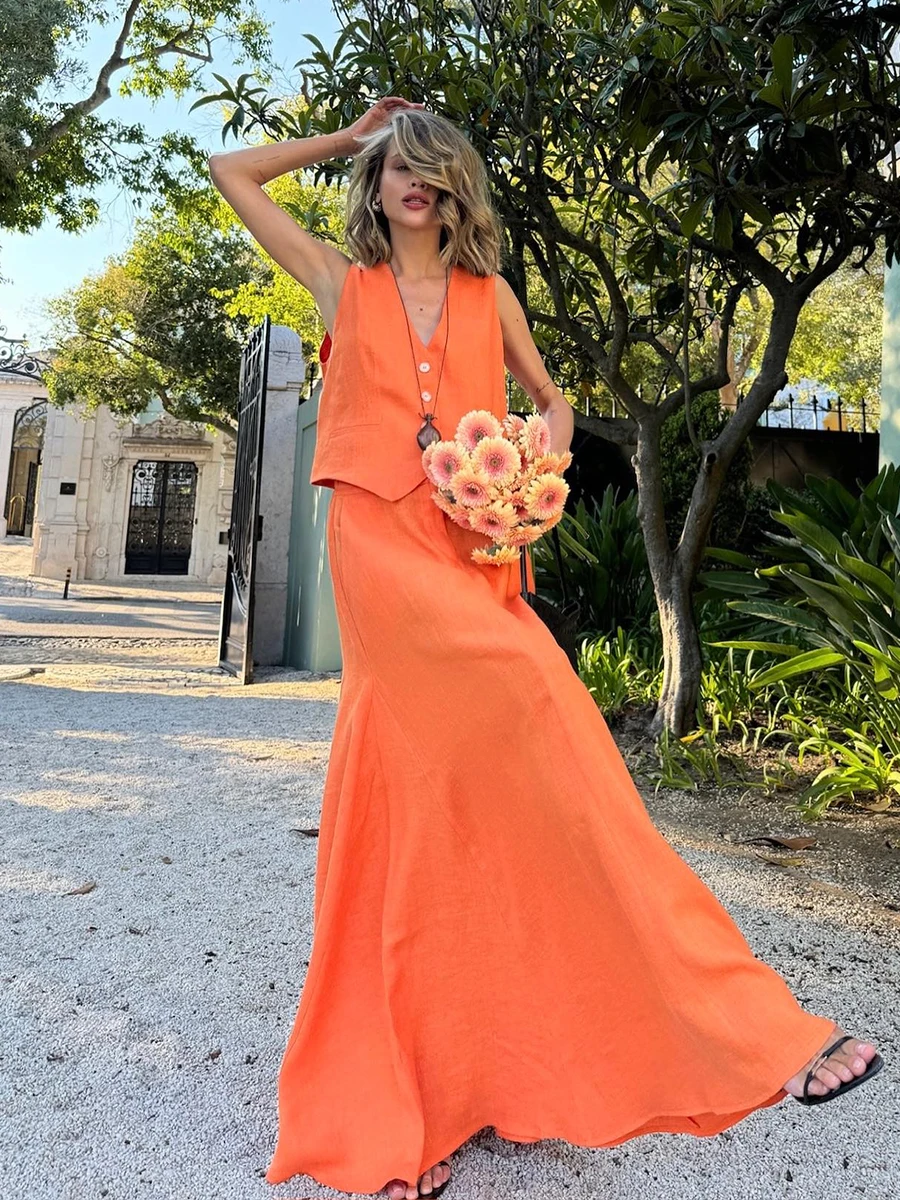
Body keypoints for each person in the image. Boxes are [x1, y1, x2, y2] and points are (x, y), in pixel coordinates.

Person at [209, 97, 883, 1200]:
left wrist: (532, 468)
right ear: (376, 182)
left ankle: (690, 1028)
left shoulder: (491, 296)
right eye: (397, 166)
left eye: (433, 166)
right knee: (423, 781)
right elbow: (232, 172)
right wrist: (351, 134)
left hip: (473, 550)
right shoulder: (341, 282)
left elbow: (555, 404)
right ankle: (397, 1110)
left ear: (456, 190)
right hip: (378, 549)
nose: (414, 181)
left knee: (538, 762)